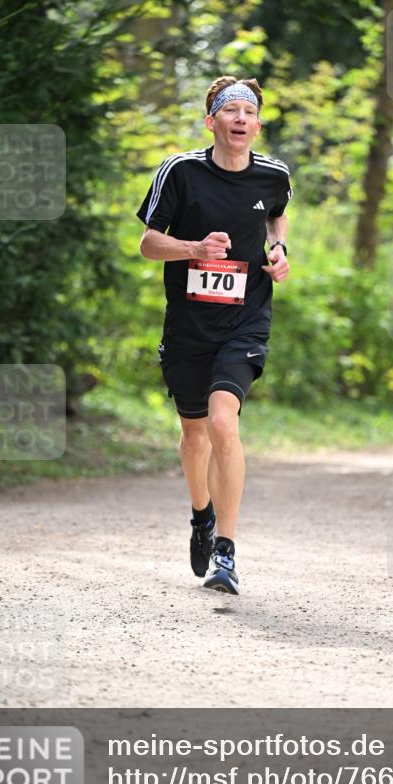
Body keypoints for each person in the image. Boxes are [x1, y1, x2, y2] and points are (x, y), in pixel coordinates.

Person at [136, 75, 292, 595]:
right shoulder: (180, 172)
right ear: (212, 122)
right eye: (231, 111)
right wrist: (194, 250)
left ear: (258, 124)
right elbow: (148, 244)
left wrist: (279, 251)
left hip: (245, 319)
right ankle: (201, 514)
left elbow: (276, 219)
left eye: (250, 112)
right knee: (195, 432)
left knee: (224, 422)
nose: (241, 119)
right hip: (188, 324)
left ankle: (226, 551)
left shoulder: (274, 176)